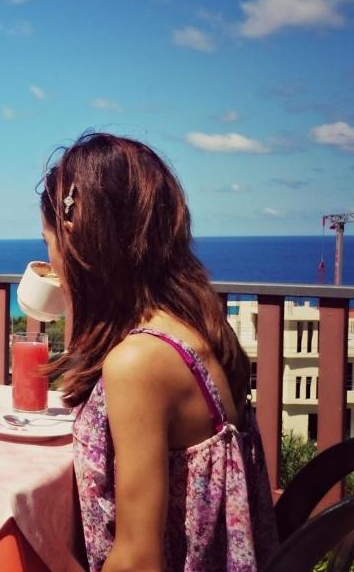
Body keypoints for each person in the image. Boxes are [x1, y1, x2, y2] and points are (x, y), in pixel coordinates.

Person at [38, 132, 278, 571]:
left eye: (48, 244)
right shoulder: (198, 326)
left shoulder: (139, 362)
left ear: (77, 239)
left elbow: (138, 561)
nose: (51, 263)